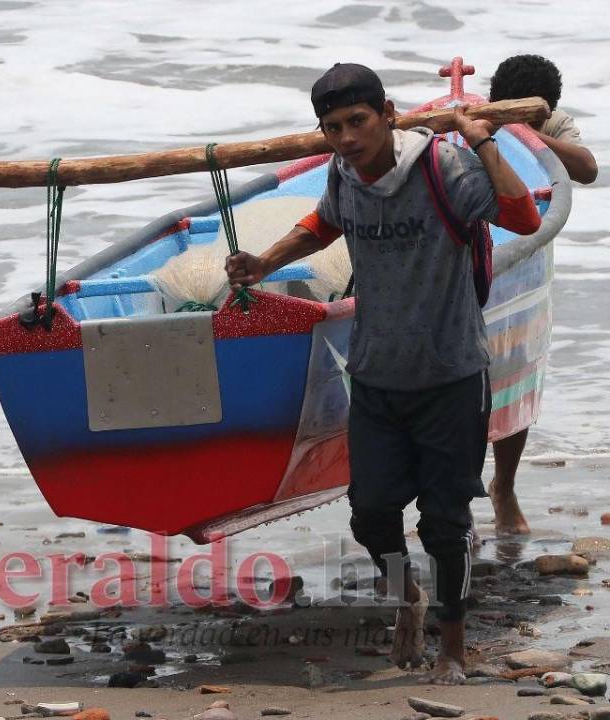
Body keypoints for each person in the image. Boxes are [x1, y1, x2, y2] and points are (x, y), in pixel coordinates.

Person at [226, 64, 541, 684]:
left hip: (451, 374)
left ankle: (452, 647)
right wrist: (263, 262)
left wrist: (479, 139)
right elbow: (324, 223)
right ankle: (408, 597)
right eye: (332, 127)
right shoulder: (344, 174)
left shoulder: (442, 169)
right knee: (371, 514)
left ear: (388, 114)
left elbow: (523, 218)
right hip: (375, 377)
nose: (346, 138)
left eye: (357, 122)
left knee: (446, 524)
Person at [485, 54, 598, 534]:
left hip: (528, 263)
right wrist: (493, 128)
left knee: (516, 376)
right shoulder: (471, 122)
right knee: (466, 385)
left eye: (538, 114)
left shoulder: (554, 122)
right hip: (479, 251)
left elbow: (587, 168)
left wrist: (529, 133)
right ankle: (455, 498)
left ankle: (504, 487)